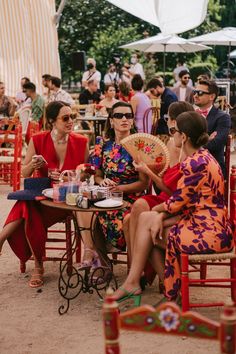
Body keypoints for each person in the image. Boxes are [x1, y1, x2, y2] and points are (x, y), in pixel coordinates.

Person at [110, 111, 233, 303]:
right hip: (207, 223)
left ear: (183, 136)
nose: (172, 134)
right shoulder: (203, 156)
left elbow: (176, 202)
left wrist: (158, 213)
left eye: (175, 131)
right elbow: (184, 203)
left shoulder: (194, 163)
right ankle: (150, 287)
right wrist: (158, 215)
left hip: (207, 233)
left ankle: (152, 288)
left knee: (148, 230)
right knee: (147, 223)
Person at [0, 101, 89, 288]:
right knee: (30, 205)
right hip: (44, 199)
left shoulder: (82, 142)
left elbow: (87, 173)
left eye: (72, 116)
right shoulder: (38, 140)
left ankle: (36, 265)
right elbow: (24, 173)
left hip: (69, 201)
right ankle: (38, 263)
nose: (70, 121)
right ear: (51, 121)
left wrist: (75, 175)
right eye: (65, 118)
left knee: (27, 206)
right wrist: (34, 165)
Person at [77, 101, 149, 267]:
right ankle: (102, 262)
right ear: (111, 120)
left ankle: (102, 257)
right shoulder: (103, 145)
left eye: (128, 115)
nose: (124, 118)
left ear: (132, 120)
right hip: (106, 195)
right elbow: (97, 175)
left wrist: (119, 188)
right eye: (119, 115)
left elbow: (144, 184)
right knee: (83, 209)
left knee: (107, 216)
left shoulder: (141, 146)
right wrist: (103, 182)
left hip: (132, 199)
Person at [124, 102, 194, 262]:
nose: (166, 121)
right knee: (137, 207)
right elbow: (165, 180)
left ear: (175, 121)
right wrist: (149, 166)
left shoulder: (190, 150)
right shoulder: (171, 142)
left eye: (168, 118)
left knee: (132, 217)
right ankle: (137, 269)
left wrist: (147, 171)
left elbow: (174, 192)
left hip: (179, 202)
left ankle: (137, 269)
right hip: (166, 196)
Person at [193, 79, 231, 175]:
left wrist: (191, 146)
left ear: (212, 96)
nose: (195, 95)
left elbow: (215, 144)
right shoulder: (191, 115)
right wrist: (207, 140)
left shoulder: (223, 117)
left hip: (212, 168)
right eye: (195, 92)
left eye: (200, 93)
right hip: (191, 166)